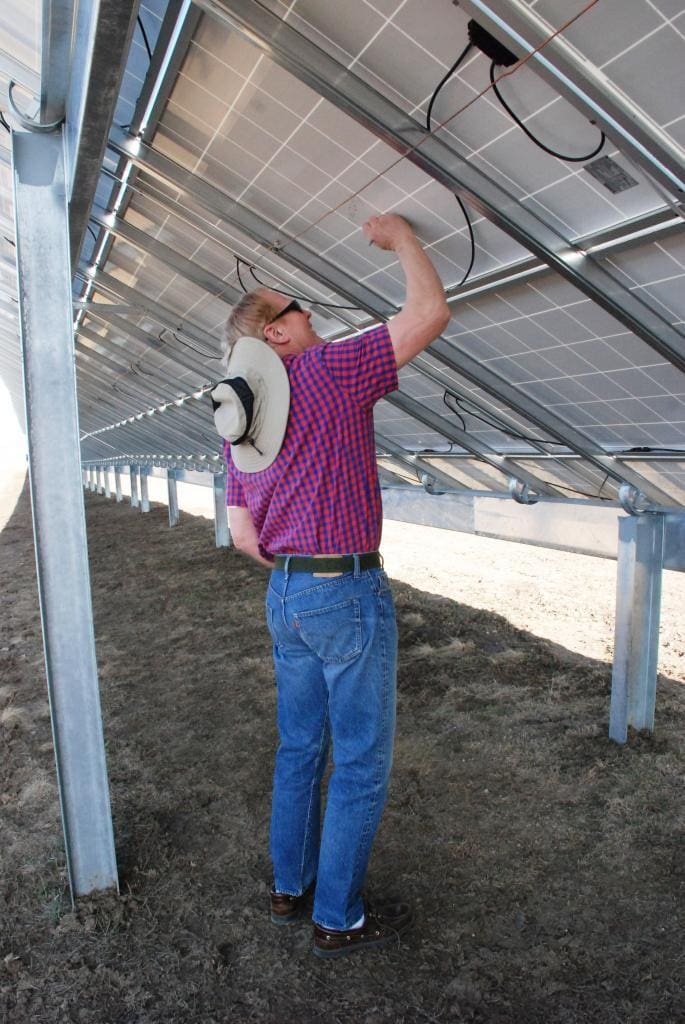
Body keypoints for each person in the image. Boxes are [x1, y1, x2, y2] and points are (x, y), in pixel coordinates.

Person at [218, 213, 450, 958]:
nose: (308, 312)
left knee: (299, 748)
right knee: (356, 759)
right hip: (344, 591)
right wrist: (401, 240)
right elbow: (428, 314)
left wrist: (291, 556)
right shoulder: (330, 371)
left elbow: (244, 533)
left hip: (285, 594)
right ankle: (337, 913)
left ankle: (290, 885)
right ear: (275, 335)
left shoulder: (241, 416)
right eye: (294, 308)